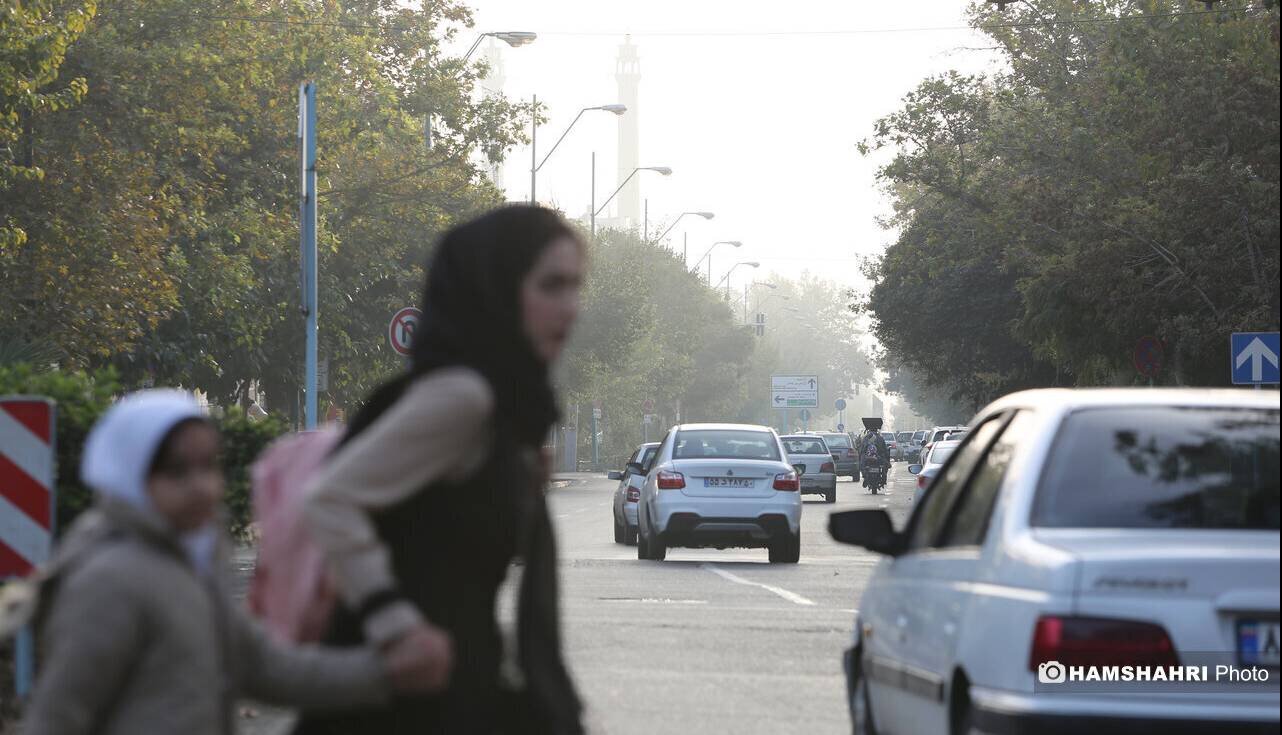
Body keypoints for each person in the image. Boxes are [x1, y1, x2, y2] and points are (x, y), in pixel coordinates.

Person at [294, 205, 586, 735]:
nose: (570, 307)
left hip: (458, 682)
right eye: (551, 285)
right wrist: (395, 626)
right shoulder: (464, 395)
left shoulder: (501, 405)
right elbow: (330, 499)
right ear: (495, 287)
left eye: (575, 286)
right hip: (406, 697)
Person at [21, 390, 439, 735]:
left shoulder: (191, 564)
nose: (201, 486)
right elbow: (57, 717)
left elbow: (262, 665)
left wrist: (385, 673)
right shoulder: (107, 581)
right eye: (176, 471)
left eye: (208, 466)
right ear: (127, 475)